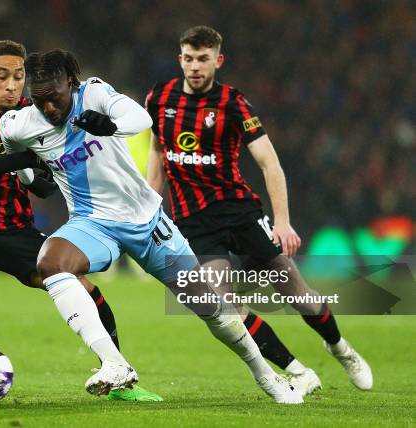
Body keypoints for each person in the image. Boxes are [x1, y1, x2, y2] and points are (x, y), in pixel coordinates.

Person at [0, 49, 303, 404]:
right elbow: (11, 149)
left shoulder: (93, 93)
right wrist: (30, 177)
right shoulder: (21, 123)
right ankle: (114, 363)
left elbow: (140, 117)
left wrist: (108, 125)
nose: (49, 108)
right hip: (92, 223)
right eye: (39, 101)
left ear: (70, 83)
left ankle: (268, 378)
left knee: (214, 310)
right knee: (51, 263)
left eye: (54, 98)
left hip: (147, 223)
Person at [145, 25, 373, 395]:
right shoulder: (160, 98)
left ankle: (340, 348)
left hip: (240, 212)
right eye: (188, 58)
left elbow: (270, 163)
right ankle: (298, 371)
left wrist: (282, 221)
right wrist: (152, 207)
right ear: (179, 59)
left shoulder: (233, 103)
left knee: (298, 295)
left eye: (203, 59)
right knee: (225, 307)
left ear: (218, 61)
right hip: (193, 220)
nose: (195, 67)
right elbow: (158, 152)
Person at [0, 40, 161, 402]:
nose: (11, 85)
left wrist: (33, 172)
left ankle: (116, 372)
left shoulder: (31, 116)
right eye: (1, 76)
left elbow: (43, 186)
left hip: (15, 229)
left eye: (18, 77)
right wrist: (23, 159)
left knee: (82, 288)